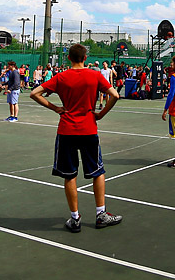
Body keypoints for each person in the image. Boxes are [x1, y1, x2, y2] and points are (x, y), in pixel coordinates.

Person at [30, 43, 122, 232]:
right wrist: (101, 113)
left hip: (67, 131)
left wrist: (56, 108)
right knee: (97, 171)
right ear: (85, 58)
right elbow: (115, 95)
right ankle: (100, 214)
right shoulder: (95, 75)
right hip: (89, 129)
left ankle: (75, 218)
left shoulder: (61, 77)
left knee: (70, 174)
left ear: (69, 58)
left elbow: (34, 93)